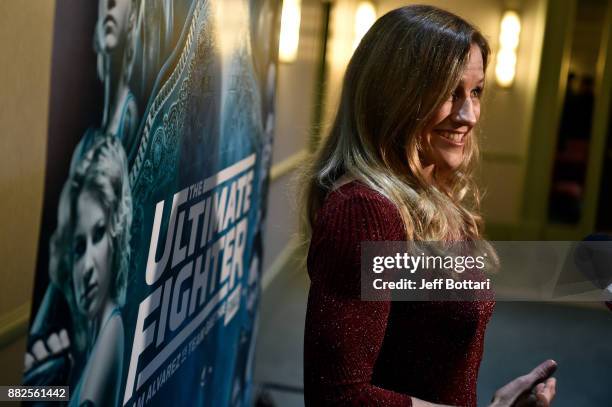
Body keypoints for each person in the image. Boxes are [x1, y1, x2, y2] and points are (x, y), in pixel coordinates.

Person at [299, 6, 557, 407]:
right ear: (395, 95)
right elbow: (340, 396)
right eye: (448, 92)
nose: (468, 114)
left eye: (476, 91)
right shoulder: (366, 211)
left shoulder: (429, 193)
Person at [25, 135, 132, 406]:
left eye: (97, 235)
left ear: (114, 236)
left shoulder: (111, 331)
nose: (85, 267)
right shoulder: (89, 346)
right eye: (77, 249)